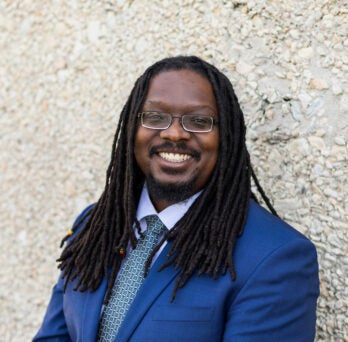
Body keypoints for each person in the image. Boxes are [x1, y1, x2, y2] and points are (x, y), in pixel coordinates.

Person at [33, 56, 319, 342]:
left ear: (226, 137)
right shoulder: (93, 227)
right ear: (133, 128)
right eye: (155, 117)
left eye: (198, 121)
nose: (174, 133)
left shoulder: (276, 256)